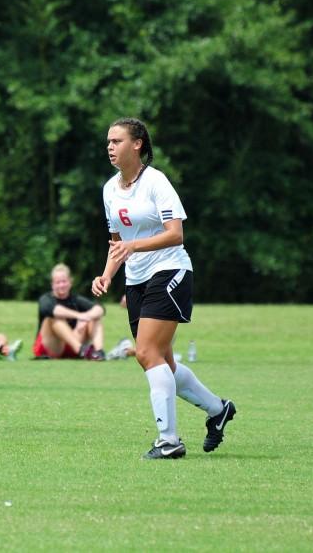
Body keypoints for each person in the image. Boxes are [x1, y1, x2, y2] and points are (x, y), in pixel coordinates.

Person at [91, 117, 236, 459]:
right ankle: (218, 410)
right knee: (162, 363)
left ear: (137, 144)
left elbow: (175, 234)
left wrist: (133, 248)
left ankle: (169, 441)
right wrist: (107, 275)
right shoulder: (109, 189)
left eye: (117, 141)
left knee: (145, 353)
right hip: (136, 279)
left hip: (169, 271)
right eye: (108, 142)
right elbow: (118, 243)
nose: (110, 147)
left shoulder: (156, 182)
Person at [33, 263, 110, 360]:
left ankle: (99, 353)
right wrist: (79, 316)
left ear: (70, 282)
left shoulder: (76, 299)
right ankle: (82, 350)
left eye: (64, 281)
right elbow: (52, 310)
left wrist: (87, 317)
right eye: (58, 282)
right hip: (52, 346)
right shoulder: (46, 299)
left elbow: (100, 308)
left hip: (72, 343)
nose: (61, 285)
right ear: (52, 285)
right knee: (53, 318)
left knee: (95, 317)